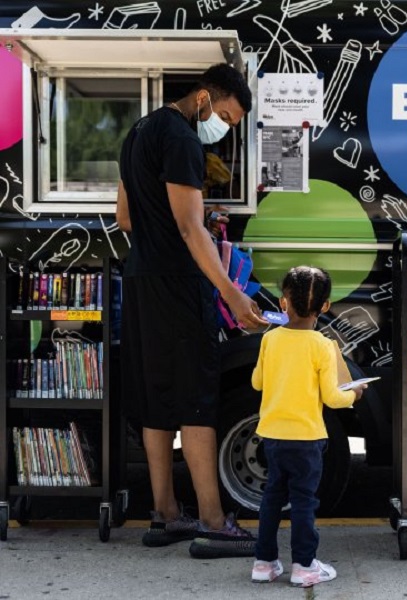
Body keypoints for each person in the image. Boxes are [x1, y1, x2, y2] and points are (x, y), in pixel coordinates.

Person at [115, 63, 268, 558]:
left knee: (157, 396)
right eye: (225, 115)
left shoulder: (138, 131)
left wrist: (177, 228)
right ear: (205, 97)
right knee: (198, 397)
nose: (224, 126)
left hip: (141, 279)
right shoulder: (182, 138)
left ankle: (164, 514)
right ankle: (213, 521)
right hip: (180, 286)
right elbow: (187, 228)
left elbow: (125, 216)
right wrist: (230, 292)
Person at [249, 266, 367, 587]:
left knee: (272, 496)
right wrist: (354, 394)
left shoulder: (269, 339)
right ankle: (303, 566)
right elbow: (331, 397)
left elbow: (257, 382)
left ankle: (264, 562)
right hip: (307, 439)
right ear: (325, 307)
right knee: (303, 500)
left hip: (272, 435)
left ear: (282, 302)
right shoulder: (322, 345)